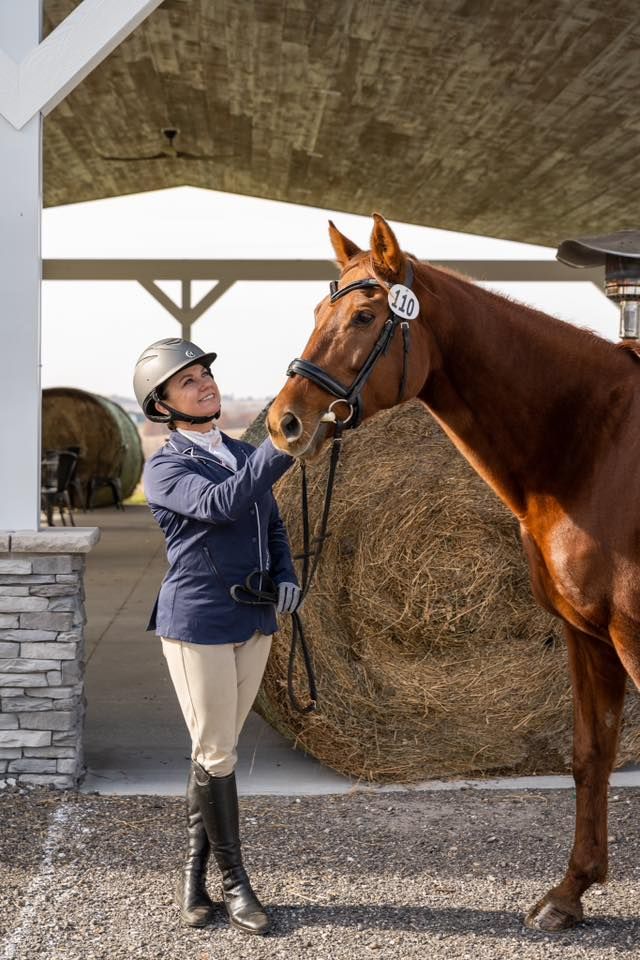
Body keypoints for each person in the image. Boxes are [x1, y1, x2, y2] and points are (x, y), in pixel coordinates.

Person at [133, 337, 301, 936]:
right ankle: (236, 887)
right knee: (219, 752)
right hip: (198, 624)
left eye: (205, 373)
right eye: (188, 381)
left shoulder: (235, 449)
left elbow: (269, 523)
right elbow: (226, 504)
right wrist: (279, 444)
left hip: (253, 621)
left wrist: (286, 575)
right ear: (163, 405)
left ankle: (191, 879)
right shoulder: (165, 466)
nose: (205, 383)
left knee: (215, 750)